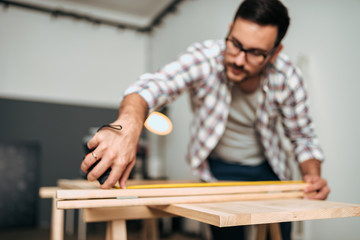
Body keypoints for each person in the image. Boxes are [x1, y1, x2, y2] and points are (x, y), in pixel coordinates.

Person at [81, 0, 330, 239]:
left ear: (274, 53)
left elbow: (303, 136)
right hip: (219, 171)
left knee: (280, 233)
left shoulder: (287, 77)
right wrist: (127, 128)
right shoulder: (205, 58)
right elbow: (153, 87)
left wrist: (312, 176)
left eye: (255, 53)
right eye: (235, 44)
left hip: (270, 169)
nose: (239, 60)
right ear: (230, 30)